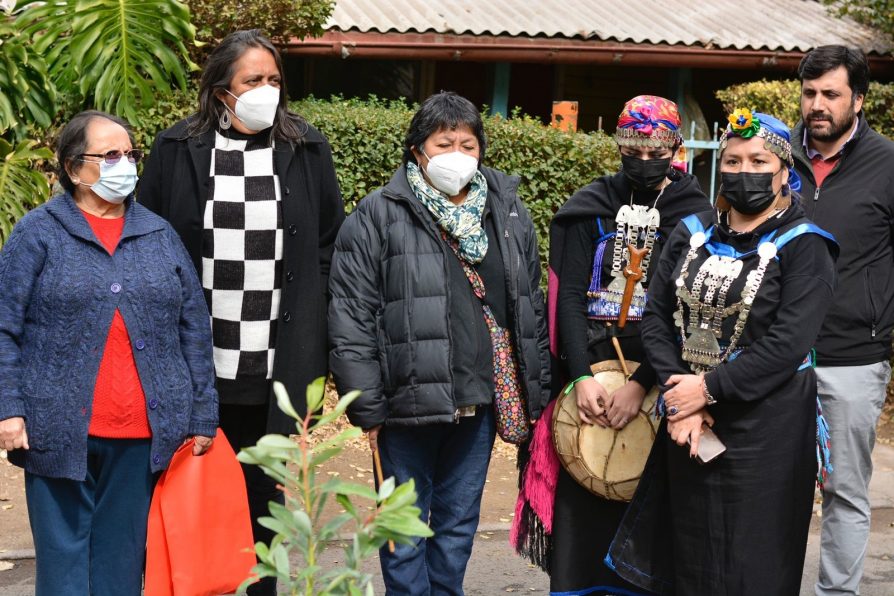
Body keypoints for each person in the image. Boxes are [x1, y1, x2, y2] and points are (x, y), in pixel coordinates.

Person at [138, 29, 345, 596]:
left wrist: (316, 338)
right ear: (220, 89)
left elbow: (328, 245)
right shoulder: (176, 148)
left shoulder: (307, 147)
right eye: (253, 80)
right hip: (198, 367)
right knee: (195, 506)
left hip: (276, 367)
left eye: (275, 80)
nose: (267, 90)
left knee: (263, 510)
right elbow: (148, 244)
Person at [328, 91, 551, 595]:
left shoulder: (507, 211)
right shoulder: (378, 214)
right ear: (417, 150)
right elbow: (350, 312)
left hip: (481, 397)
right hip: (405, 401)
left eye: (467, 144)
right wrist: (366, 403)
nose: (457, 155)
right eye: (443, 143)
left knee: (455, 527)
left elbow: (528, 304)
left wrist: (535, 385)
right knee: (403, 528)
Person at [607, 110, 838, 595]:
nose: (742, 170)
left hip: (765, 426)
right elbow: (656, 319)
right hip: (686, 421)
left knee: (753, 561)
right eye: (732, 160)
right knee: (688, 558)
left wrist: (706, 391)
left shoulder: (806, 247)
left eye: (758, 160)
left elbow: (786, 344)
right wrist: (678, 397)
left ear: (783, 173)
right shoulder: (691, 232)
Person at [0, 110, 218, 596]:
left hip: (142, 432)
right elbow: (3, 326)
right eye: (110, 155)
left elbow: (193, 330)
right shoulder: (38, 233)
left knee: (121, 566)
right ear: (75, 168)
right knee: (64, 570)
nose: (125, 164)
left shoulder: (159, 235)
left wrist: (203, 414)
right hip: (55, 429)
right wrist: (8, 409)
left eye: (130, 154)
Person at [513, 95, 709, 595]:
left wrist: (642, 384)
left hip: (662, 373)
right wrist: (579, 376)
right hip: (590, 373)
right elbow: (570, 298)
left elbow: (685, 312)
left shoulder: (695, 216)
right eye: (633, 150)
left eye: (656, 151)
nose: (644, 162)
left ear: (675, 147)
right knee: (587, 489)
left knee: (650, 509)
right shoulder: (590, 206)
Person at [790, 45, 894, 596]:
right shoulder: (773, 155)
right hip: (775, 359)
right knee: (772, 489)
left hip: (855, 357)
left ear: (858, 98)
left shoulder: (888, 164)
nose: (817, 105)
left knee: (845, 492)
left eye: (831, 94)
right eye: (809, 93)